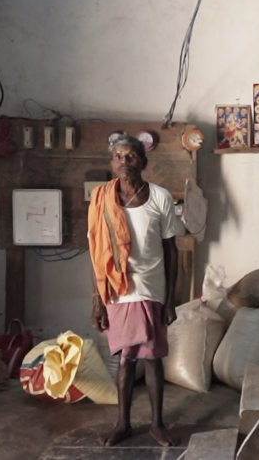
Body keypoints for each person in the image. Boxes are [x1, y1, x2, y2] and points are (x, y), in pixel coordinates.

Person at [87, 132, 185, 447]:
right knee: (126, 358)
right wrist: (98, 300)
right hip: (117, 291)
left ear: (143, 162)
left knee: (153, 357)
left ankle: (157, 424)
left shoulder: (160, 197)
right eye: (118, 157)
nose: (124, 162)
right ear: (111, 162)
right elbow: (97, 255)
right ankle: (123, 424)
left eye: (130, 156)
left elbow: (172, 251)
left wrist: (171, 300)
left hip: (152, 288)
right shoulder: (101, 198)